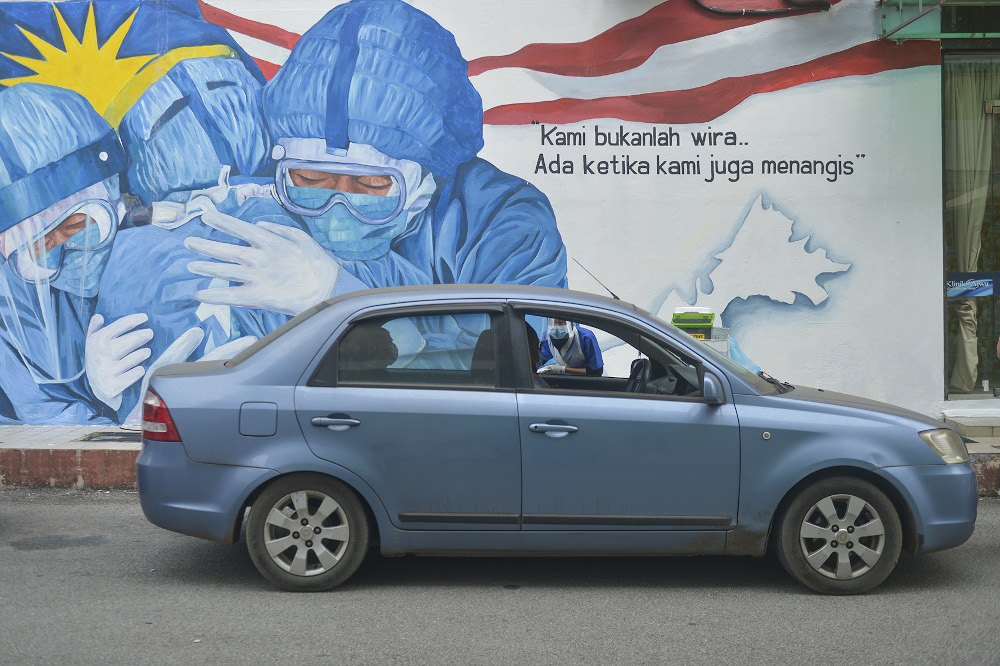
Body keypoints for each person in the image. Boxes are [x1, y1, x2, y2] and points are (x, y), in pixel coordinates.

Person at [184, 0, 568, 310]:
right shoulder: (265, 210)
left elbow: (505, 361)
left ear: (430, 174)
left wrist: (335, 293)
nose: (336, 215)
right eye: (311, 180)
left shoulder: (506, 225)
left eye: (370, 184)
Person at [0, 83, 145, 423]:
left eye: (77, 225)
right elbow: (42, 422)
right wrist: (112, 409)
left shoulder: (163, 250)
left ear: (113, 192)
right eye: (38, 250)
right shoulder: (12, 311)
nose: (66, 257)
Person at [538, 319, 604, 376]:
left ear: (570, 323)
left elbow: (596, 372)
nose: (556, 327)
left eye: (561, 322)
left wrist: (562, 370)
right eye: (553, 323)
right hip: (567, 379)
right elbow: (540, 360)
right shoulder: (546, 337)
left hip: (588, 380)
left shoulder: (586, 337)